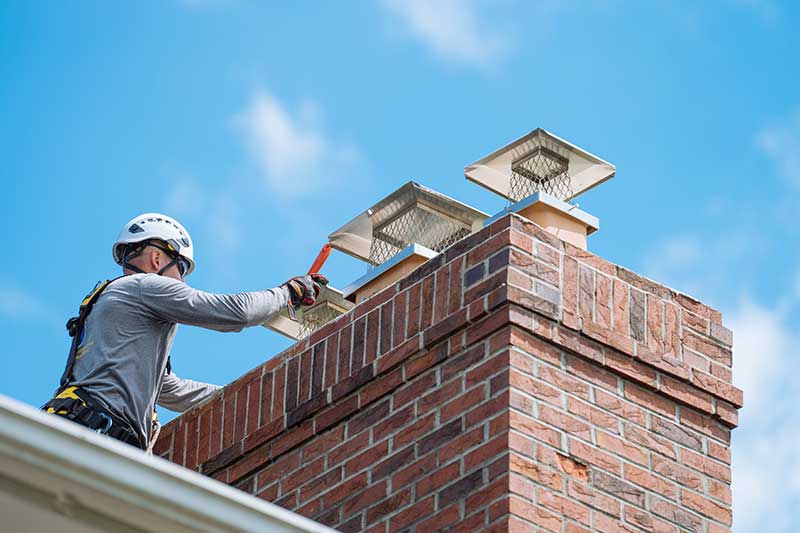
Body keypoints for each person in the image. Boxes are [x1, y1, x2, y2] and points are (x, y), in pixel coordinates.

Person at [42, 213, 326, 451]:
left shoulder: (112, 305)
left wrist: (248, 391)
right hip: (95, 438)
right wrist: (288, 293)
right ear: (157, 259)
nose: (181, 279)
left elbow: (167, 389)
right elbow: (235, 313)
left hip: (80, 433)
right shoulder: (146, 286)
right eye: (180, 268)